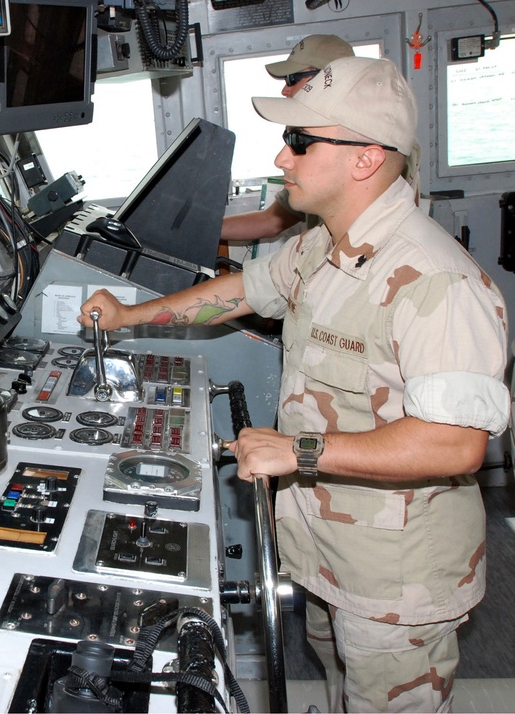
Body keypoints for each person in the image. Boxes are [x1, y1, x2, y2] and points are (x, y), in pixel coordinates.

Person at [79, 57, 509, 712]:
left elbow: (455, 445)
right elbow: (241, 291)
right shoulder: (322, 245)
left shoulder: (436, 281)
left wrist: (299, 452)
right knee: (341, 686)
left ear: (365, 158)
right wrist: (128, 315)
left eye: (302, 141)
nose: (283, 157)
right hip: (326, 549)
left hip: (396, 583)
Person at [221, 34, 354, 243]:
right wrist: (200, 229)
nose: (285, 89)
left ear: (325, 78)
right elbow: (272, 221)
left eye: (292, 79)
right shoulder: (312, 133)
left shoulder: (366, 139)